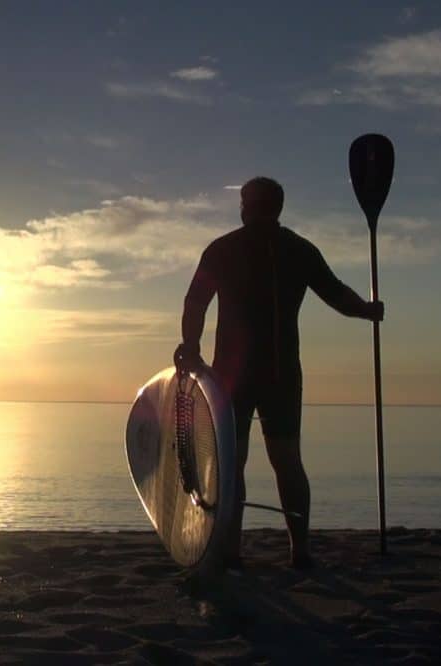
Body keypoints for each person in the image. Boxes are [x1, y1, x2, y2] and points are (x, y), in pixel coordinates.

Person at [175, 176, 383, 570]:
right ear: (278, 207)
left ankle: (232, 552)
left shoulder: (223, 249)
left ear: (247, 205)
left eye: (243, 201)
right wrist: (368, 311)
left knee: (232, 463)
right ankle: (299, 551)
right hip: (281, 372)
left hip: (232, 375)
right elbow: (338, 295)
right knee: (287, 460)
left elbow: (194, 302)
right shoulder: (299, 250)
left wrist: (190, 346)